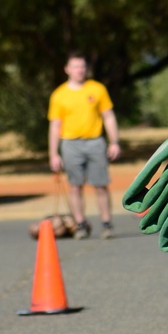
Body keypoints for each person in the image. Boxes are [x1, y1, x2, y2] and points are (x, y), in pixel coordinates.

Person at [47, 54, 121, 239]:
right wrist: (53, 154)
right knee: (75, 186)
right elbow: (55, 126)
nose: (79, 70)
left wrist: (114, 142)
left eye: (82, 66)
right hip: (71, 144)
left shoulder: (97, 89)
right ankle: (80, 224)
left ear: (85, 69)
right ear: (67, 69)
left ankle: (106, 223)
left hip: (95, 141)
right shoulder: (59, 94)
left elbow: (108, 117)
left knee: (101, 185)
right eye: (75, 66)